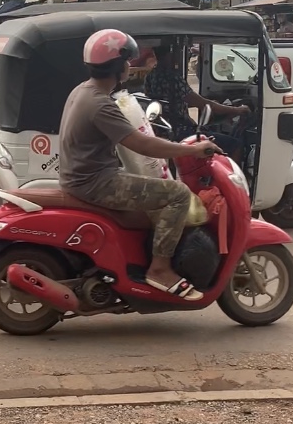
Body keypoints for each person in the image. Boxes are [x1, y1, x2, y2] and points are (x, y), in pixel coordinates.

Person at [59, 29, 221, 301]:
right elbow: (142, 145)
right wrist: (191, 150)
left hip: (83, 176)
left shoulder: (83, 91)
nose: (129, 65)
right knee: (178, 194)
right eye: (126, 60)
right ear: (117, 66)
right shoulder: (100, 104)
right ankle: (160, 269)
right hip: (96, 183)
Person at [143, 44, 247, 156]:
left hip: (162, 129)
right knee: (235, 145)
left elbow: (172, 101)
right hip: (180, 131)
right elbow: (203, 104)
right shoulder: (173, 77)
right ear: (170, 54)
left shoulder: (150, 76)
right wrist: (237, 110)